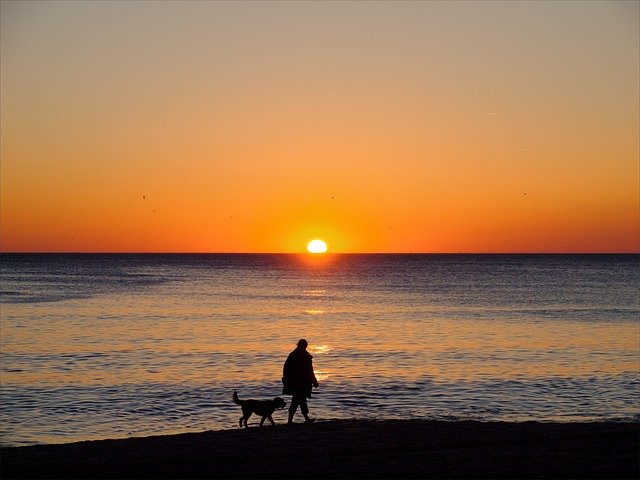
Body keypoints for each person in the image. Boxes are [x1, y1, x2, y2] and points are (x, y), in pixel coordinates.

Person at [282, 338, 319, 424]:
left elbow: (286, 369)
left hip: (297, 382)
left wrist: (314, 381)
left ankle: (298, 419)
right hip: (300, 383)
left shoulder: (293, 355)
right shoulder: (302, 356)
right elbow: (309, 370)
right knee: (299, 400)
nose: (305, 347)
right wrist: (314, 381)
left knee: (298, 400)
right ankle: (301, 419)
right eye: (305, 345)